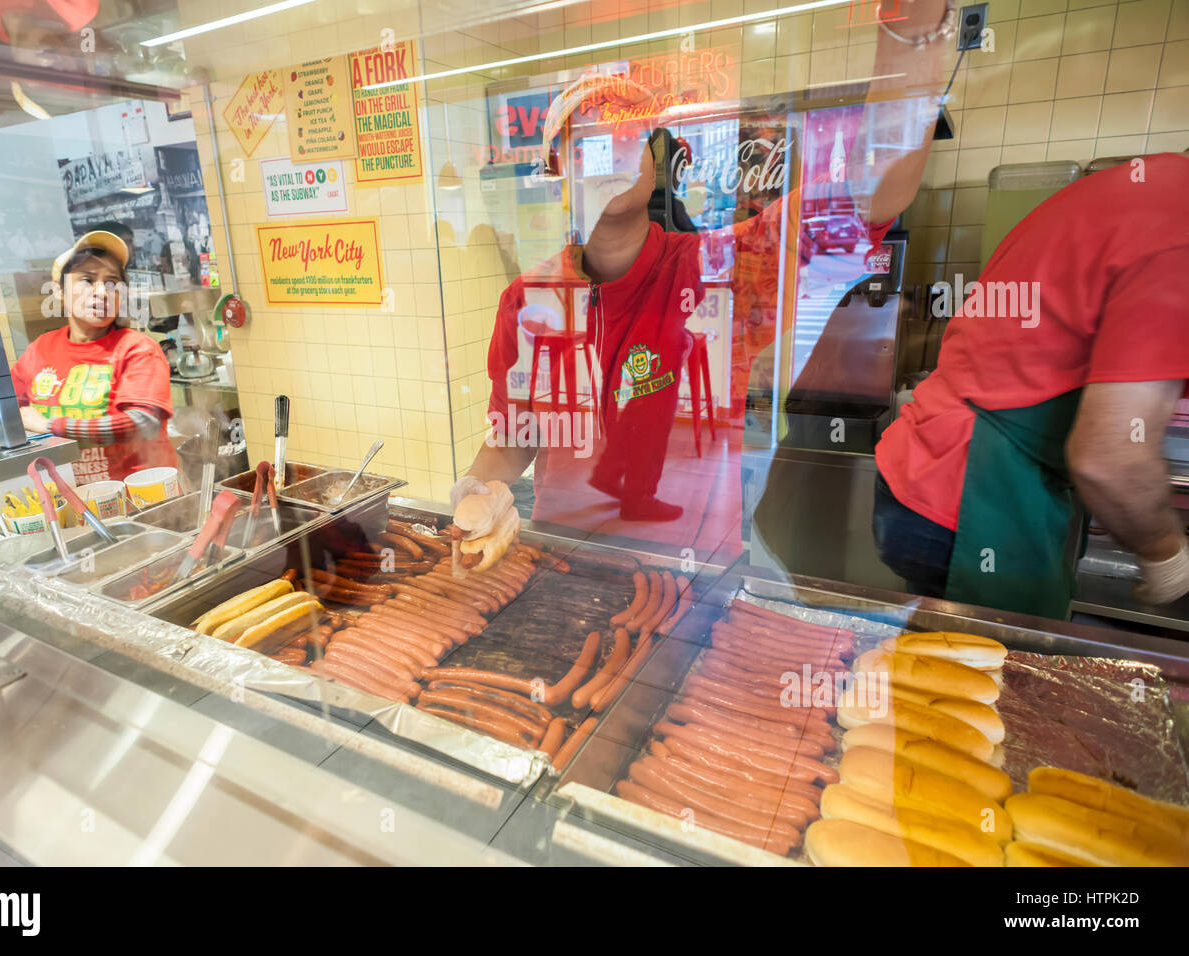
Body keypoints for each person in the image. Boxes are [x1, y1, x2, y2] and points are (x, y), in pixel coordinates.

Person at [453, 4, 947, 560]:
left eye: (627, 138)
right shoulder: (528, 302)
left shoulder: (726, 271)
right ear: (558, 171)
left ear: (652, 160)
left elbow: (872, 196)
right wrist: (477, 495)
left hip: (691, 587)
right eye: (588, 143)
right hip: (557, 569)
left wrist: (912, 34)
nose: (609, 155)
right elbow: (513, 437)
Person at [873, 153, 1189, 618]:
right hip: (978, 493)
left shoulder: (1149, 186)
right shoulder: (1175, 233)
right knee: (994, 679)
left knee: (950, 670)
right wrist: (1167, 555)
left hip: (932, 472)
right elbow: (1109, 460)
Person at [12, 230, 178, 484]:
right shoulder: (40, 349)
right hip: (71, 496)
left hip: (141, 499)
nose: (102, 292)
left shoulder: (137, 349)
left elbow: (142, 423)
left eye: (112, 283)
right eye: (87, 280)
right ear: (58, 290)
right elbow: (4, 407)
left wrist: (49, 425)